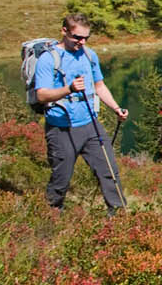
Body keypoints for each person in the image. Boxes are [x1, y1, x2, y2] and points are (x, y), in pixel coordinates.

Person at [34, 13, 130, 214]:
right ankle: (50, 217)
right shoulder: (48, 59)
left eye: (86, 38)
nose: (82, 42)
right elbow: (41, 95)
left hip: (91, 125)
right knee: (61, 178)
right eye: (77, 37)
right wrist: (68, 89)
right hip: (61, 128)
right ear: (64, 31)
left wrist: (116, 108)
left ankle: (120, 219)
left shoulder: (89, 55)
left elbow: (99, 86)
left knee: (110, 173)